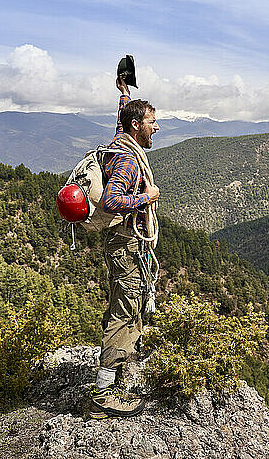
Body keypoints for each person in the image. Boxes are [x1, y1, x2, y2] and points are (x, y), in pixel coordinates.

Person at [89, 75, 160, 419]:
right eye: (151, 121)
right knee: (125, 308)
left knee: (128, 300)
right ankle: (103, 394)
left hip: (120, 242)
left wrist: (123, 94)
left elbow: (121, 120)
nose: (157, 127)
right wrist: (148, 196)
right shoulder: (129, 160)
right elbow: (111, 200)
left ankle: (123, 361)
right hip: (125, 243)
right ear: (137, 126)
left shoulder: (120, 140)